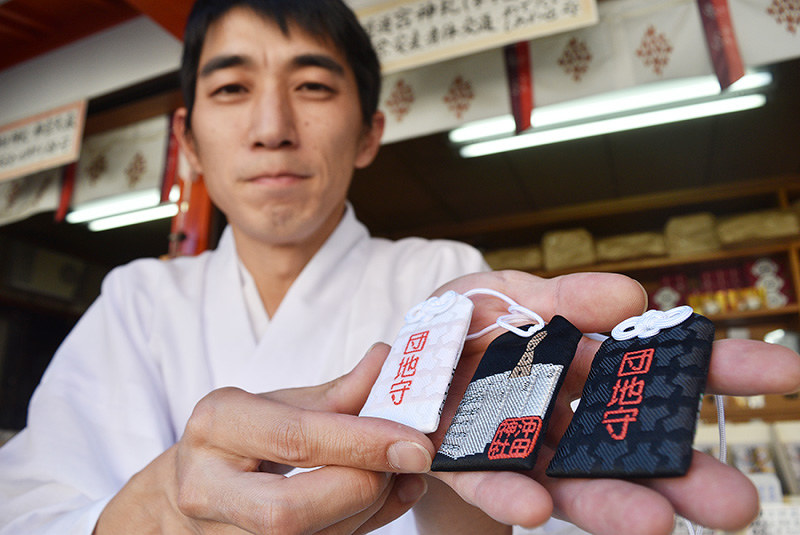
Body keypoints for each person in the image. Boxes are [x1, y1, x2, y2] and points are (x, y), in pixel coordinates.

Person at [1, 1, 799, 534]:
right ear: (187, 141)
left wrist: (462, 474)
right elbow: (30, 504)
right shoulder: (137, 299)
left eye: (313, 85)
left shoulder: (449, 285)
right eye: (233, 87)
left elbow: (509, 514)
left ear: (370, 132)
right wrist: (156, 512)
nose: (272, 126)